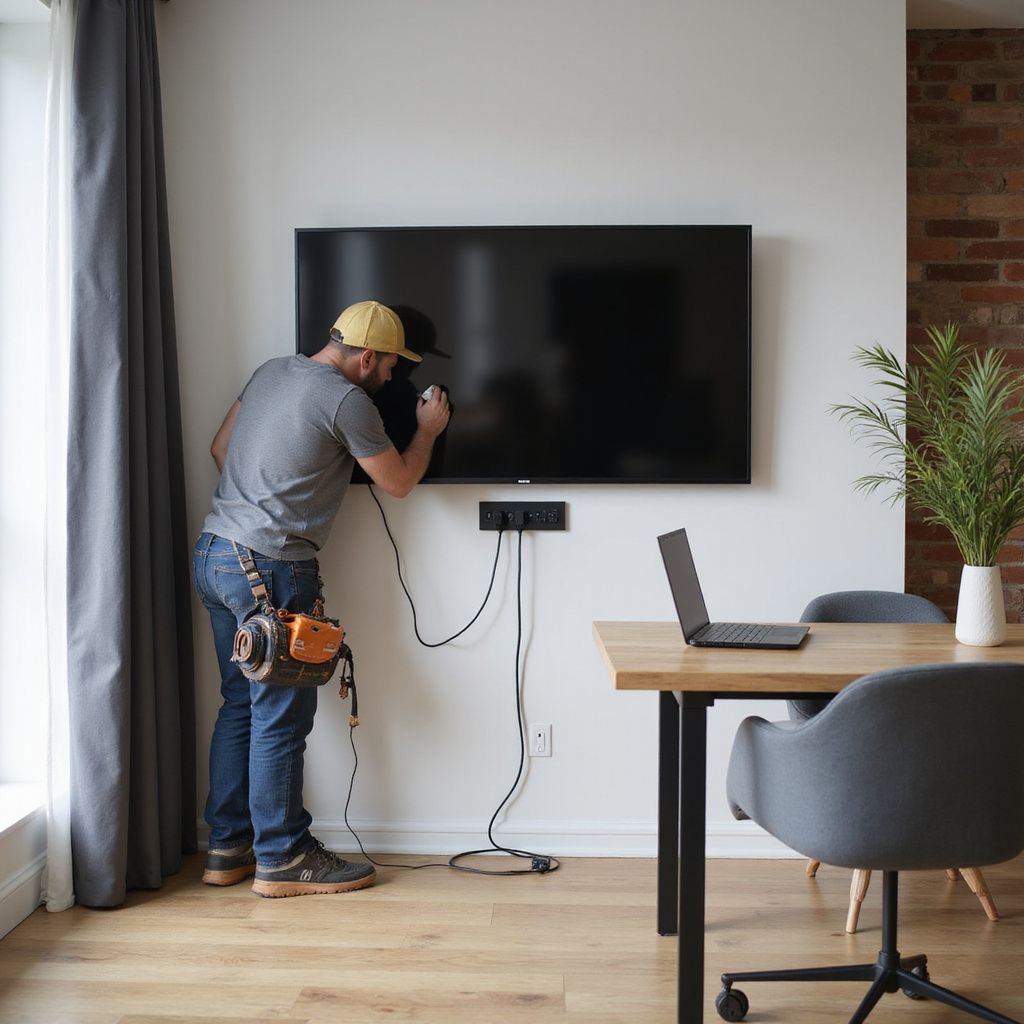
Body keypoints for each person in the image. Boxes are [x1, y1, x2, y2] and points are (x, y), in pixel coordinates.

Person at [193, 300, 450, 897]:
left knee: (239, 705)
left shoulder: (271, 371)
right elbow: (399, 481)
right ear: (366, 356)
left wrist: (274, 488)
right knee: (281, 719)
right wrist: (428, 431)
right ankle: (282, 856)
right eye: (389, 365)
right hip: (272, 568)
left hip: (215, 553)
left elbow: (220, 449)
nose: (392, 377)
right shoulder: (346, 401)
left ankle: (228, 848)